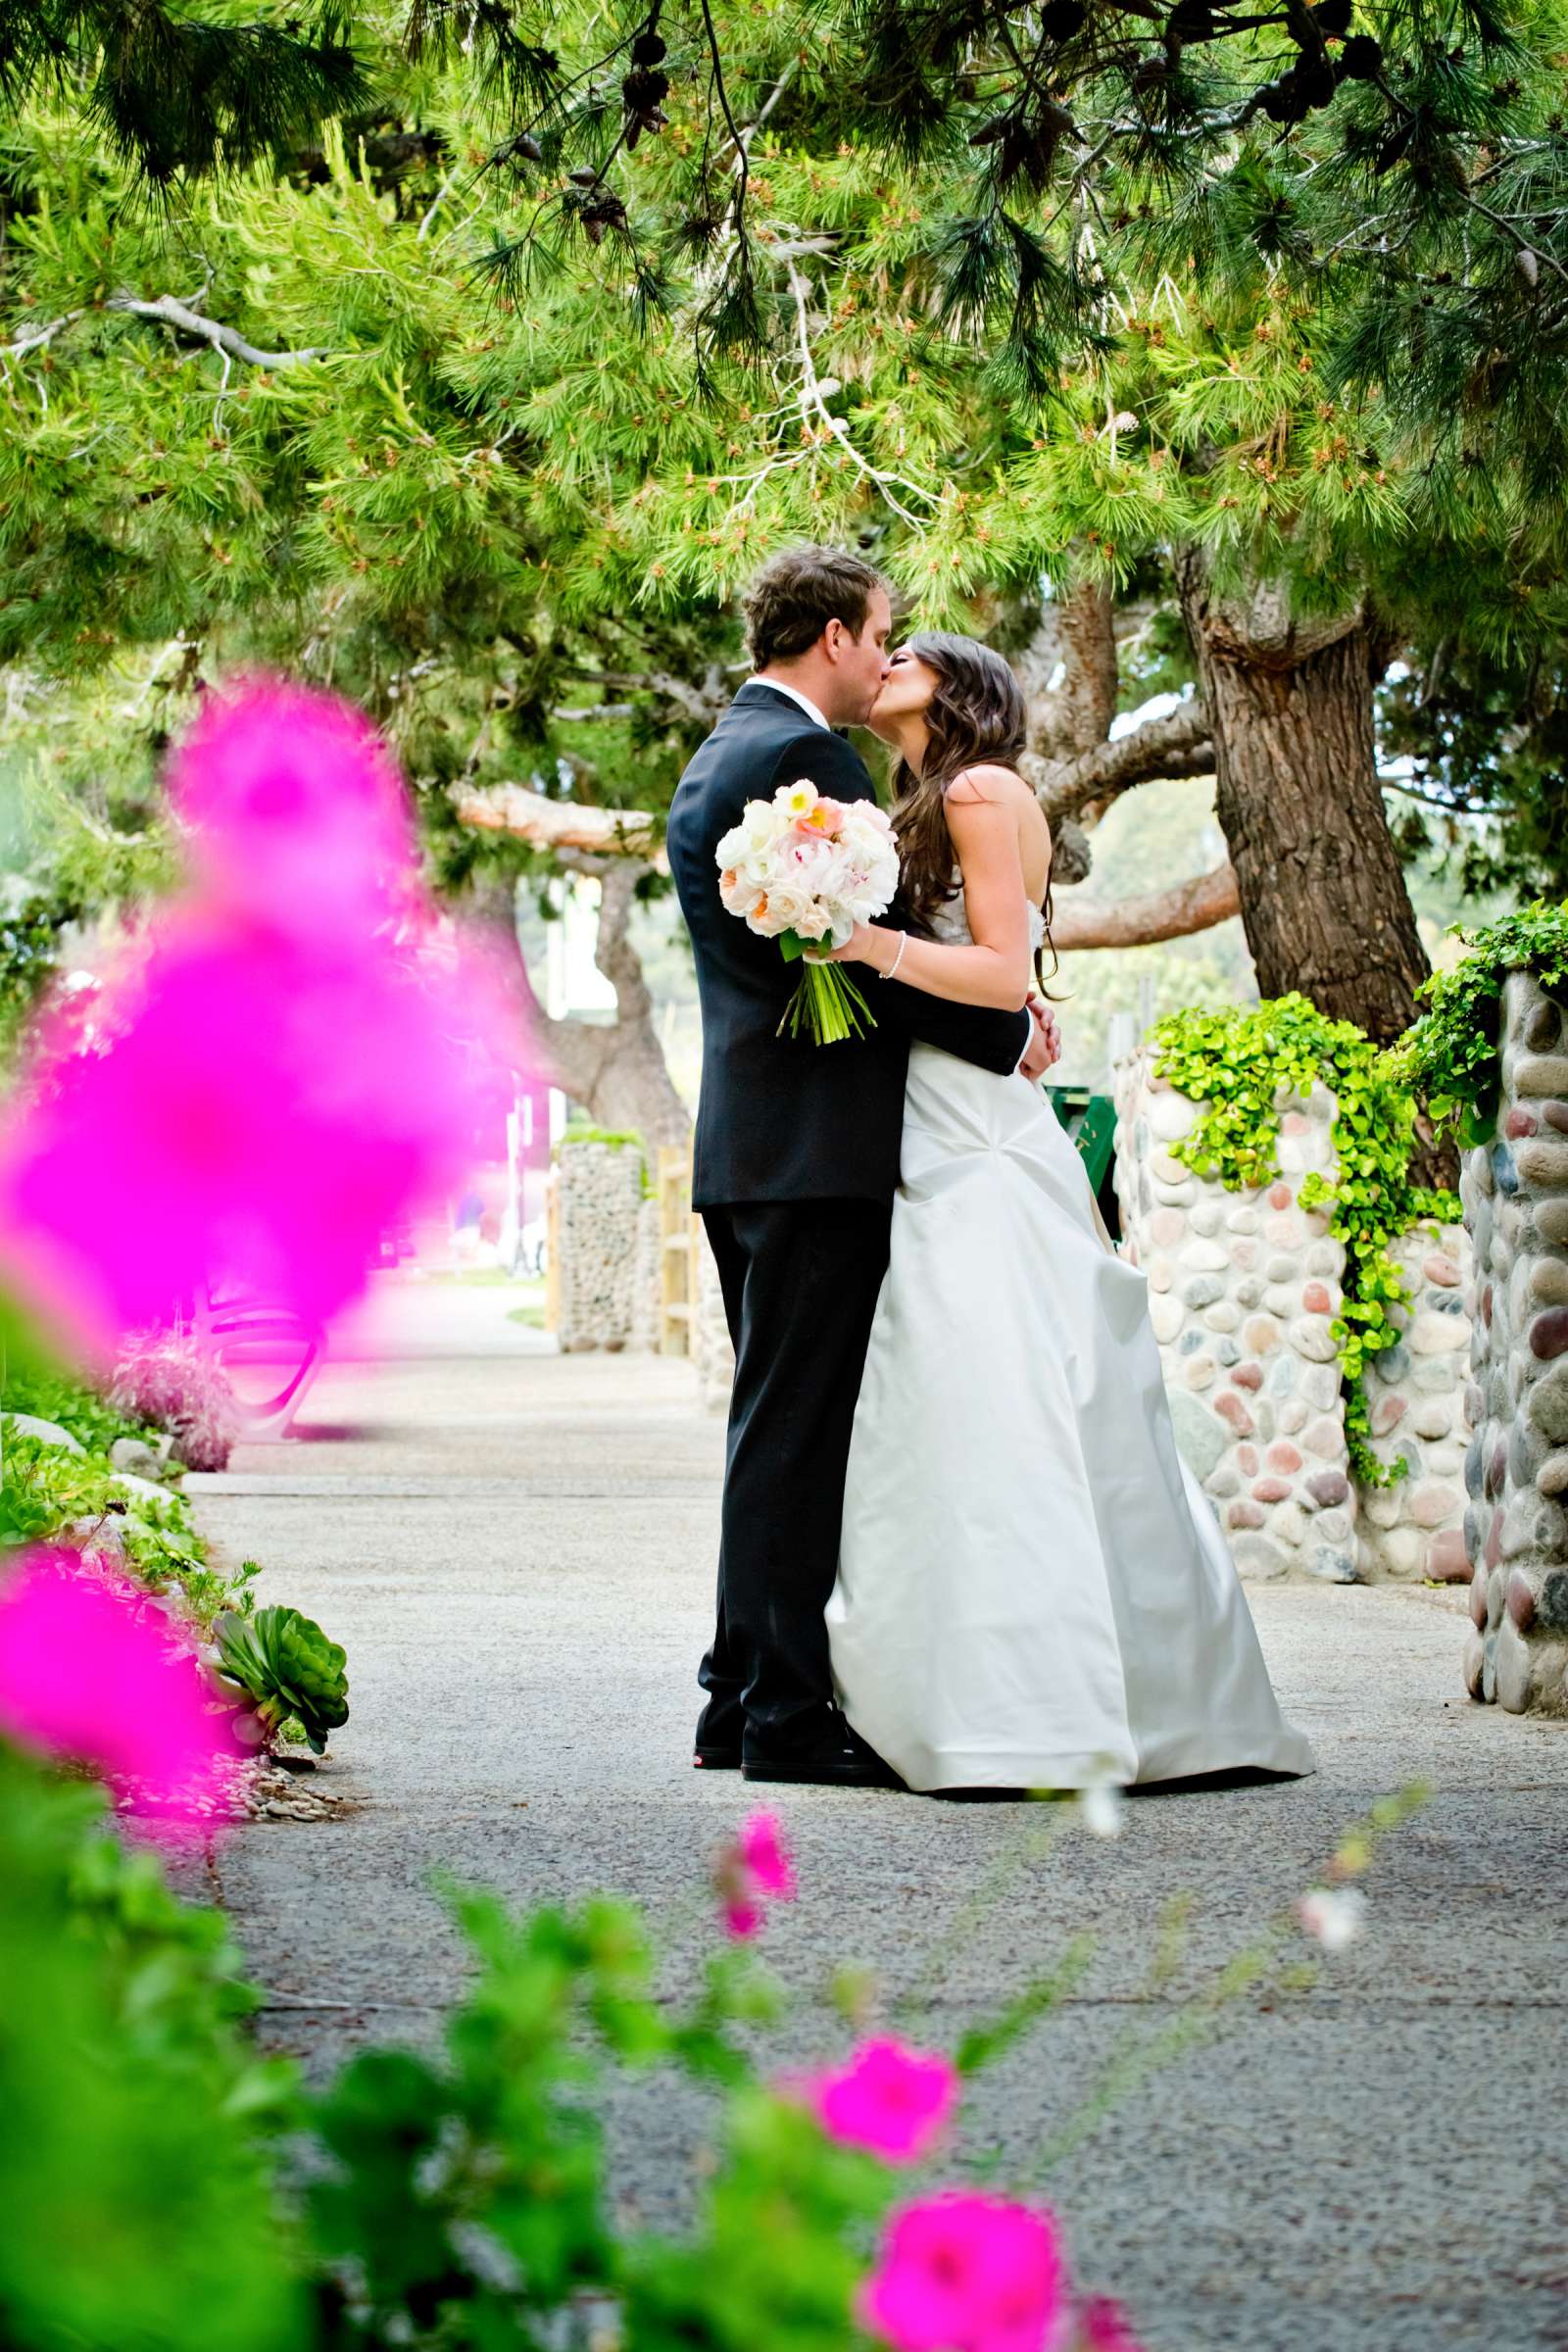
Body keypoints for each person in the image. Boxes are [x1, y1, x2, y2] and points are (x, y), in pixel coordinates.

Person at [822, 631, 1316, 1793]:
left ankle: (1034, 1704)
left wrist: (859, 943)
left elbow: (1001, 973)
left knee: (1000, 1379)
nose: (887, 664)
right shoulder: (923, 798)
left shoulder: (984, 789)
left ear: (963, 690)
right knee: (943, 1389)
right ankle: (957, 1684)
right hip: (936, 1107)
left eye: (913, 656)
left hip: (976, 1138)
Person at [665, 550, 1061, 1788]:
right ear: (834, 636)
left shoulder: (716, 754)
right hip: (813, 1157)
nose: (888, 652)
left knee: (766, 1425)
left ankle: (735, 1695)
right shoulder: (808, 766)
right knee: (797, 1433)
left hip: (750, 1147)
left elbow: (831, 958)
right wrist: (1007, 1029)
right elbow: (835, 962)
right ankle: (781, 1715)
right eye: (880, 632)